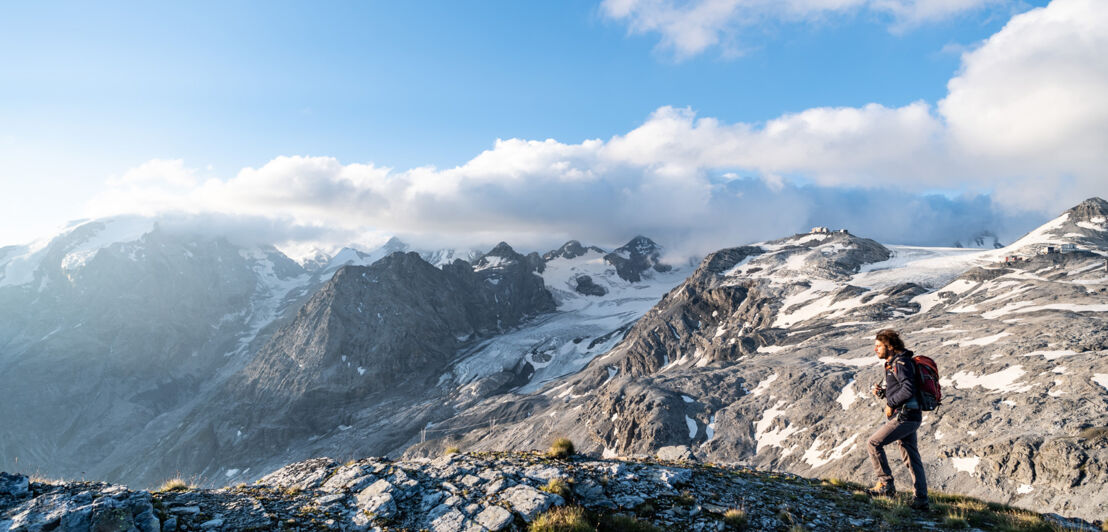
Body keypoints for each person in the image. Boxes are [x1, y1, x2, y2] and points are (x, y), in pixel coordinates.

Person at [867, 329, 929, 510]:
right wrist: (884, 394)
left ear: (890, 346)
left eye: (879, 346)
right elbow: (903, 389)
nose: (875, 349)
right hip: (909, 415)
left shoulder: (900, 363)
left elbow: (908, 389)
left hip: (905, 416)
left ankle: (886, 485)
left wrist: (890, 403)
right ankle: (921, 500)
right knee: (911, 456)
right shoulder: (897, 362)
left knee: (873, 443)